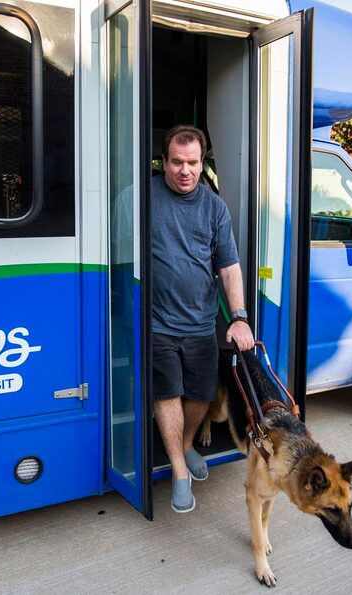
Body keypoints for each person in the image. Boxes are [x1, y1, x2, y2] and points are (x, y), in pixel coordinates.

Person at [152, 124, 254, 513]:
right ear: (165, 162)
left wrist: (240, 317)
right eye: (177, 162)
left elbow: (229, 266)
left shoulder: (214, 207)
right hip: (158, 324)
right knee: (167, 394)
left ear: (202, 161)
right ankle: (179, 470)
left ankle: (188, 443)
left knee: (201, 396)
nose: (185, 171)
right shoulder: (144, 197)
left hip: (200, 323)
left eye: (192, 162)